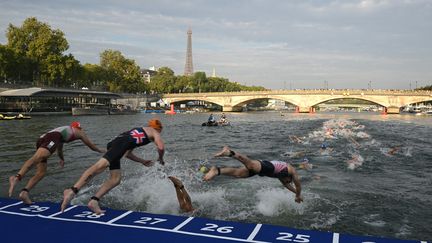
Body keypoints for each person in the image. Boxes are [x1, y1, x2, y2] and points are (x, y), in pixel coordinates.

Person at [61, 119, 165, 214]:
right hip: (122, 143)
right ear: (158, 129)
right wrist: (161, 159)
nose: (159, 133)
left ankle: (94, 201)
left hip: (115, 142)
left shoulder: (140, 130)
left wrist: (142, 161)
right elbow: (161, 147)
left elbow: (127, 153)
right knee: (99, 166)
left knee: (115, 179)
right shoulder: (154, 132)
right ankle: (72, 190)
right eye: (160, 131)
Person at [8, 122, 105, 204]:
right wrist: (102, 150)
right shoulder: (79, 132)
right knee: (38, 157)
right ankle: (17, 177)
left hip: (42, 140)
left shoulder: (63, 133)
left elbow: (59, 148)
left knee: (41, 172)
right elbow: (91, 146)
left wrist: (61, 159)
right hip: (51, 138)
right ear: (78, 128)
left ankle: (24, 193)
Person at [203, 146, 303, 203]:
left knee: (238, 174)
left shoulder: (283, 177)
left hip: (264, 170)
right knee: (250, 165)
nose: (287, 182)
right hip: (268, 166)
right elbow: (298, 185)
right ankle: (229, 152)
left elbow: (289, 186)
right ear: (289, 177)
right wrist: (298, 195)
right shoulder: (291, 171)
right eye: (289, 181)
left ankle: (217, 171)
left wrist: (296, 194)